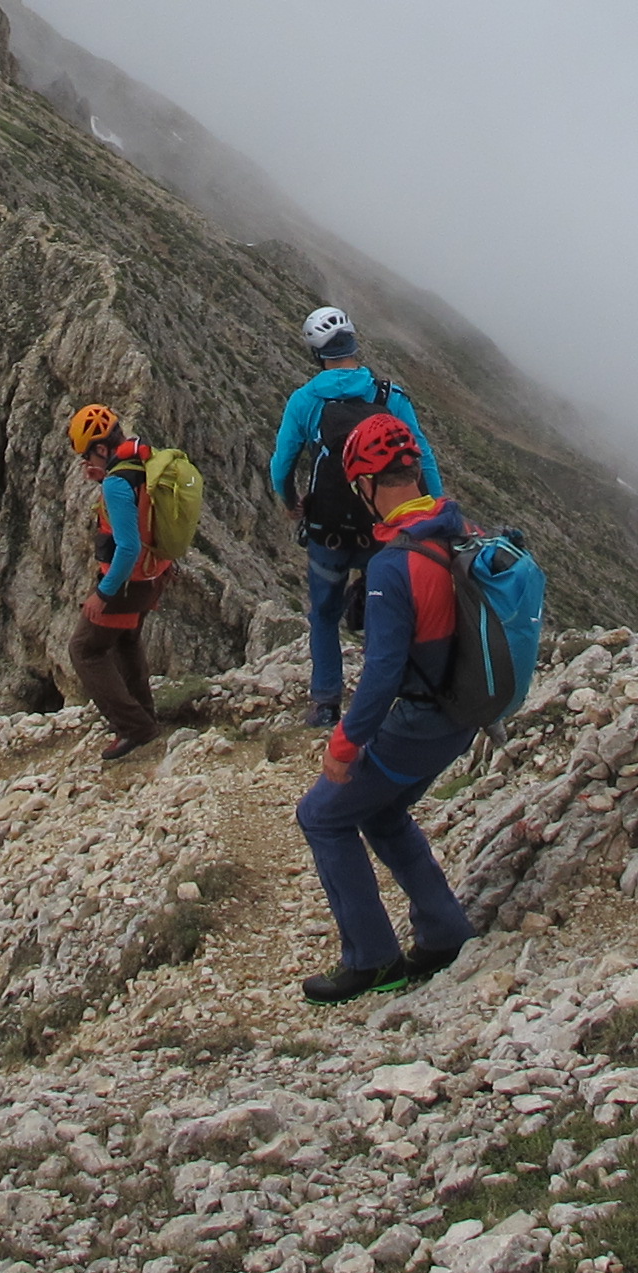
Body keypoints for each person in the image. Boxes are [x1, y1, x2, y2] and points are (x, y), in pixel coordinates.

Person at [291, 412, 479, 1003]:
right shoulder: (457, 526)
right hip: (463, 712)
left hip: (422, 721)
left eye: (358, 487)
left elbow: (382, 675)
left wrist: (344, 743)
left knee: (322, 815)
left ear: (368, 484)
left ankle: (371, 960)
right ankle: (444, 933)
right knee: (384, 812)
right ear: (413, 469)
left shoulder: (393, 564)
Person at [267, 307, 439, 730]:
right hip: (382, 528)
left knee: (325, 616)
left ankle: (326, 703)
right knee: (387, 610)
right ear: (354, 344)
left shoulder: (306, 401)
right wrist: (434, 510)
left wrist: (290, 501)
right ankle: (388, 697)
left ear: (316, 353)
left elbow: (281, 465)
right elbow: (423, 458)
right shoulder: (388, 396)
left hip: (327, 531)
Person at [65, 402, 175, 762]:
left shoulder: (116, 483)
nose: (87, 462)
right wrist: (104, 477)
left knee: (84, 649)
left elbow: (127, 548)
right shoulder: (139, 458)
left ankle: (134, 727)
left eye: (87, 454)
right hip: (154, 573)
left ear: (100, 448)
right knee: (125, 641)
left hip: (129, 581)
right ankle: (145, 717)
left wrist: (103, 593)